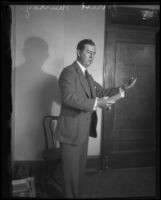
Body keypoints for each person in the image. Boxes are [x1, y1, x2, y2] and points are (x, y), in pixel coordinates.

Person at [55, 39, 137, 198]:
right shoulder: (68, 72)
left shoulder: (89, 76)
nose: (91, 56)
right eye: (88, 52)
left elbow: (103, 92)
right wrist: (97, 103)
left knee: (78, 174)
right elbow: (68, 98)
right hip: (71, 133)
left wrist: (122, 88)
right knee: (70, 176)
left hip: (83, 132)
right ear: (79, 52)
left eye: (94, 53)